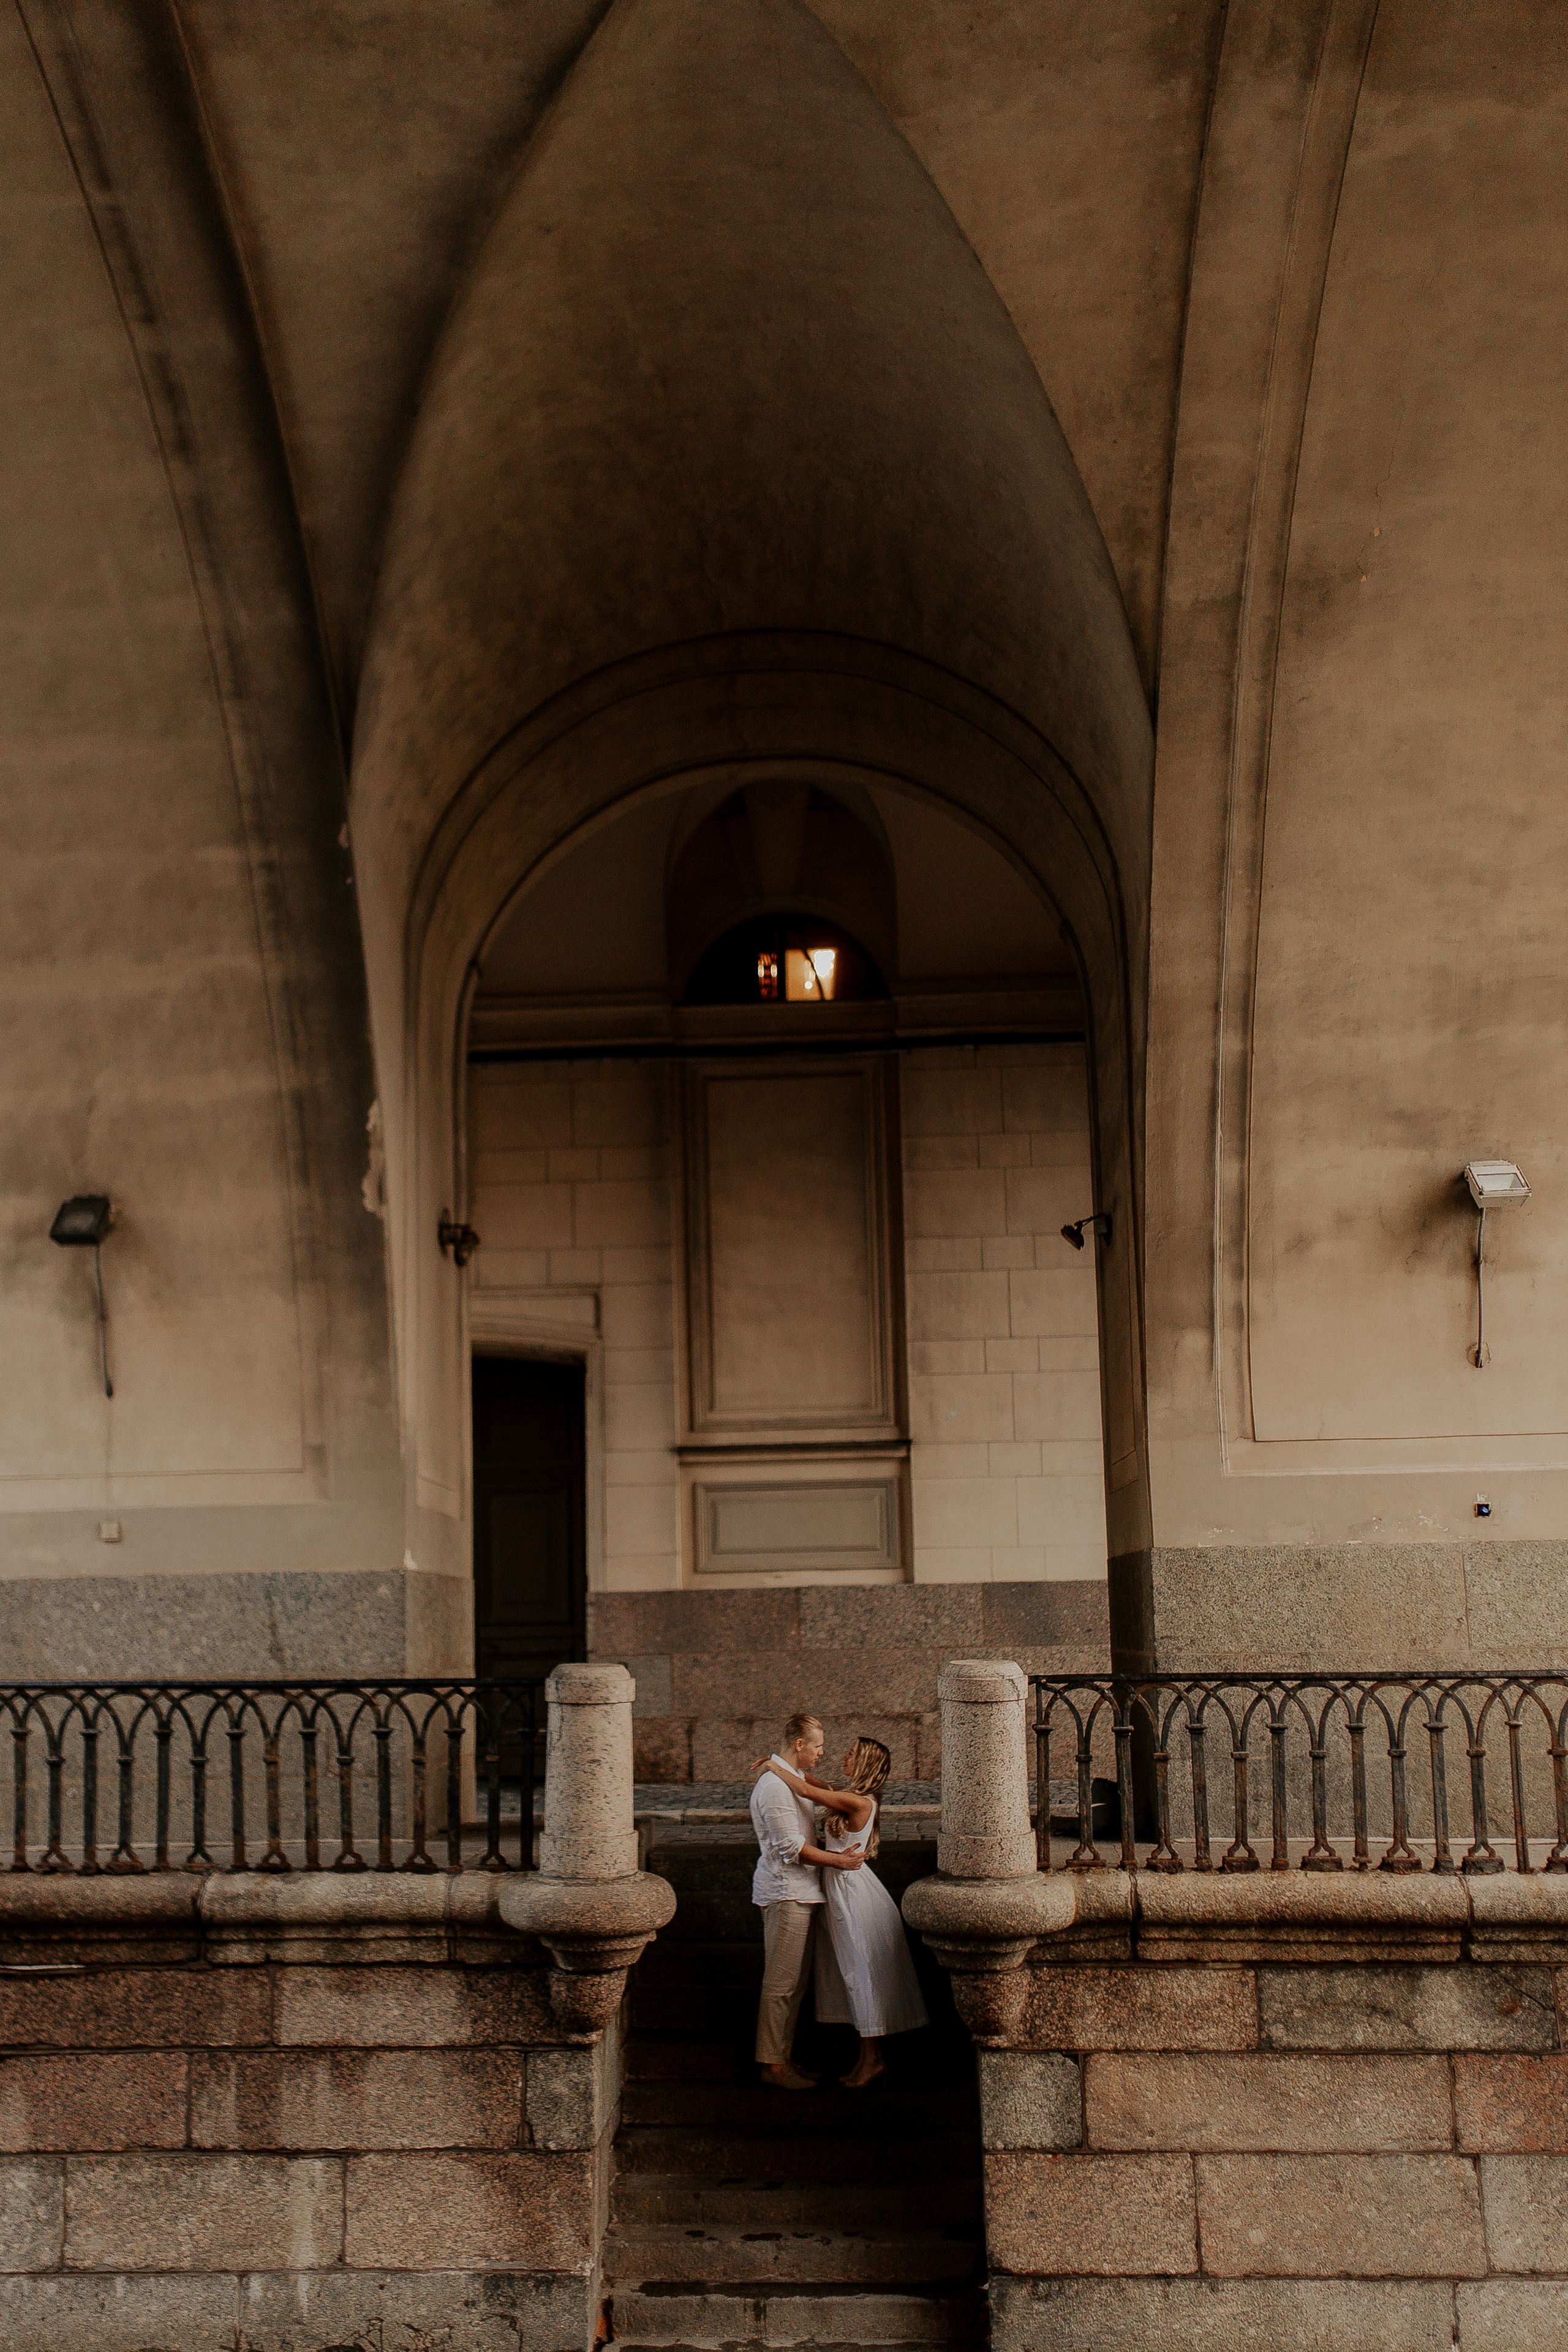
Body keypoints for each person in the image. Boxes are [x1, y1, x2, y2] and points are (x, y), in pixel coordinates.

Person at [754, 1734, 928, 2088]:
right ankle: (868, 2058)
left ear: (864, 1762)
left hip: (853, 1893)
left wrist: (774, 1765)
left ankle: (873, 2059)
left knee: (861, 1972)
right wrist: (789, 1768)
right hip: (838, 1888)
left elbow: (806, 1792)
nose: (843, 1757)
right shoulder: (850, 1795)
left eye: (852, 1754)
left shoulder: (860, 1801)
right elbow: (814, 1783)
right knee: (853, 1973)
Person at [748, 1710, 865, 2090]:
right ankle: (773, 2066)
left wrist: (773, 1762)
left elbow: (820, 1785)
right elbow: (791, 1848)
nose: (822, 1753)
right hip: (786, 1893)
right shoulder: (773, 1788)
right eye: (817, 1747)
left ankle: (782, 2059)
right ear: (799, 1745)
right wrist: (842, 1862)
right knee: (781, 1984)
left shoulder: (790, 1779)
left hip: (801, 1892)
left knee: (794, 1985)